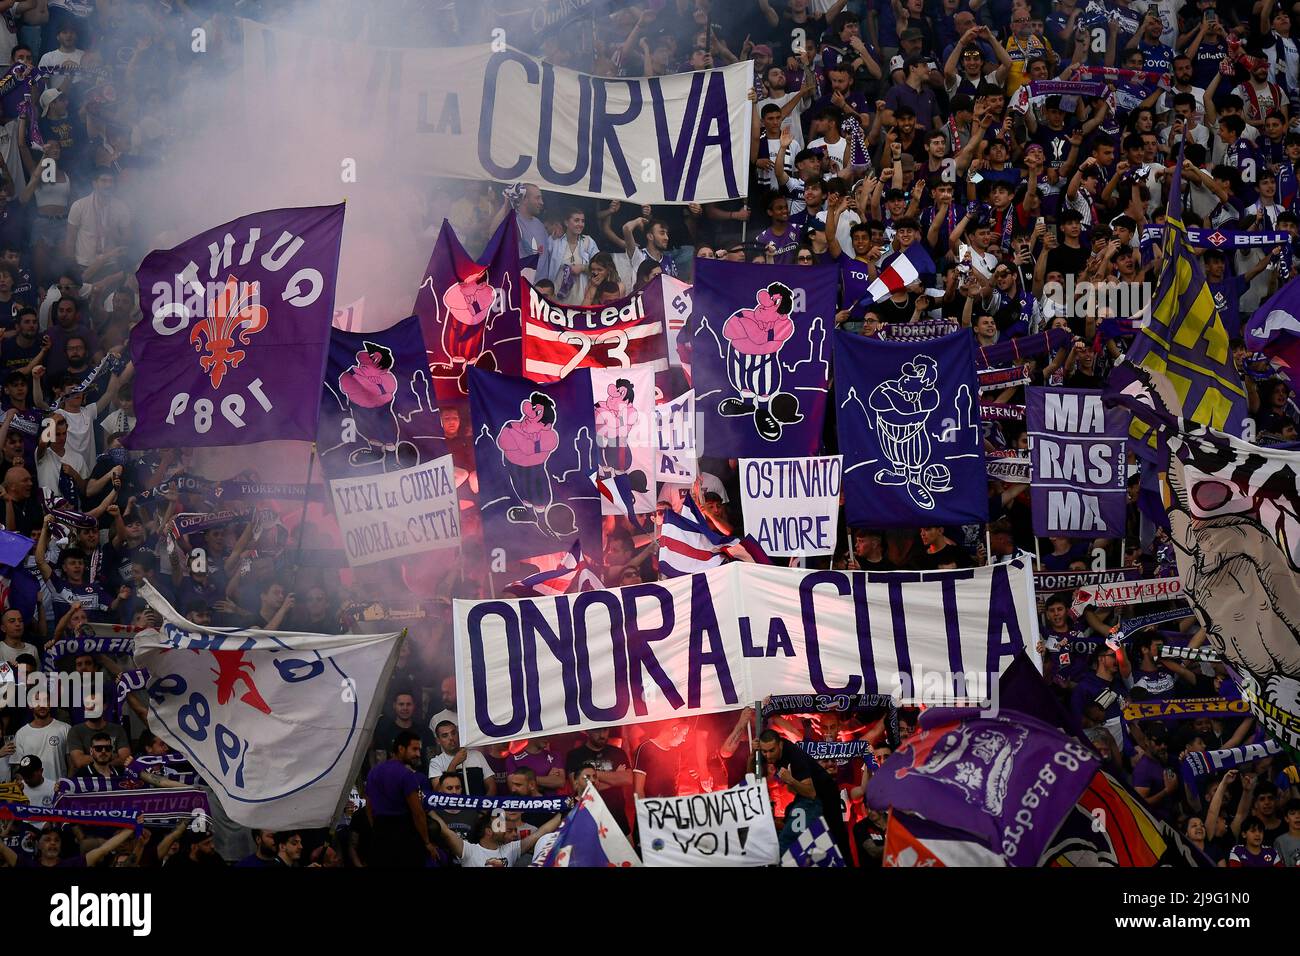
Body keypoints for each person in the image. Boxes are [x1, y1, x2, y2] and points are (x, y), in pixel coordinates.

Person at [756, 728, 853, 864]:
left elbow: (810, 792)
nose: (767, 755)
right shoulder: (769, 751)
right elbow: (752, 772)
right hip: (805, 797)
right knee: (794, 826)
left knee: (834, 835)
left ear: (780, 745)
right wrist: (753, 753)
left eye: (771, 750)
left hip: (823, 795)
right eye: (764, 751)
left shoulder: (795, 756)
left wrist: (790, 780)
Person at [364, 730, 436, 868]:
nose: (418, 754)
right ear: (401, 749)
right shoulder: (406, 775)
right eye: (414, 749)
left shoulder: (374, 772)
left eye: (419, 750)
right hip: (404, 836)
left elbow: (369, 806)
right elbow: (418, 813)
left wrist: (377, 828)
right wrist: (427, 842)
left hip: (380, 835)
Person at [429, 805, 562, 868]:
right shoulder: (469, 850)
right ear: (488, 831)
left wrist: (562, 813)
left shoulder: (511, 849)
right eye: (499, 826)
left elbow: (541, 832)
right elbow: (446, 831)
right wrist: (428, 809)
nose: (504, 829)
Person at [565, 727, 633, 833]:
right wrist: (616, 779)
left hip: (617, 815)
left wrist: (591, 776)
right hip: (588, 815)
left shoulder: (618, 752)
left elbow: (628, 779)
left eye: (605, 730)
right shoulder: (575, 755)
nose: (602, 735)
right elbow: (578, 787)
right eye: (597, 730)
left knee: (626, 849)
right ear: (587, 731)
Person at [427, 720, 496, 795]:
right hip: (453, 806)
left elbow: (491, 786)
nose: (451, 738)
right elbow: (438, 791)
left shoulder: (477, 755)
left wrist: (483, 804)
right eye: (445, 736)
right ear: (438, 741)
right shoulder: (436, 762)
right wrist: (454, 763)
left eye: (453, 733)